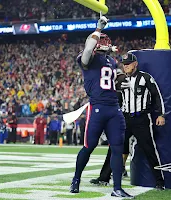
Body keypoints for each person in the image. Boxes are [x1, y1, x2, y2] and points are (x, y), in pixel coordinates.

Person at [70, 14, 133, 198]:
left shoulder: (112, 61)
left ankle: (118, 188)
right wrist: (97, 29)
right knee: (89, 146)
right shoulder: (87, 58)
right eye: (101, 39)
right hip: (97, 107)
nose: (105, 42)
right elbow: (89, 48)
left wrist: (122, 82)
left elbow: (112, 80)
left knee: (117, 148)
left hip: (114, 108)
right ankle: (76, 179)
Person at [90, 51, 166, 190]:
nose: (125, 67)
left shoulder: (145, 78)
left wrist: (161, 114)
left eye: (128, 64)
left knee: (149, 149)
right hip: (124, 119)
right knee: (114, 148)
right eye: (124, 64)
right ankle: (104, 178)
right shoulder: (119, 80)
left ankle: (160, 181)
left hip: (141, 119)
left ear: (135, 64)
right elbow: (114, 100)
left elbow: (156, 96)